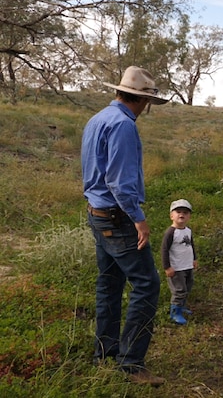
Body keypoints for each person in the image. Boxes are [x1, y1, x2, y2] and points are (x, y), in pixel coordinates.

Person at [81, 66, 169, 386]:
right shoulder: (123, 126)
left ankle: (104, 352)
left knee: (110, 284)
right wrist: (139, 221)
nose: (147, 107)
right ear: (142, 100)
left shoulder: (98, 119)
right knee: (147, 284)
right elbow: (119, 182)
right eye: (147, 101)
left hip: (97, 213)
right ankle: (131, 365)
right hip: (117, 218)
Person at [161, 199, 198, 325]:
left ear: (189, 216)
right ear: (172, 215)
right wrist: (167, 267)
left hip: (187, 265)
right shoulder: (171, 232)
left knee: (188, 286)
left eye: (185, 212)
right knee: (179, 289)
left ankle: (181, 307)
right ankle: (175, 312)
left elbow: (191, 245)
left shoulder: (188, 230)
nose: (182, 214)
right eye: (178, 212)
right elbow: (164, 250)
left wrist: (194, 259)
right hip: (176, 268)